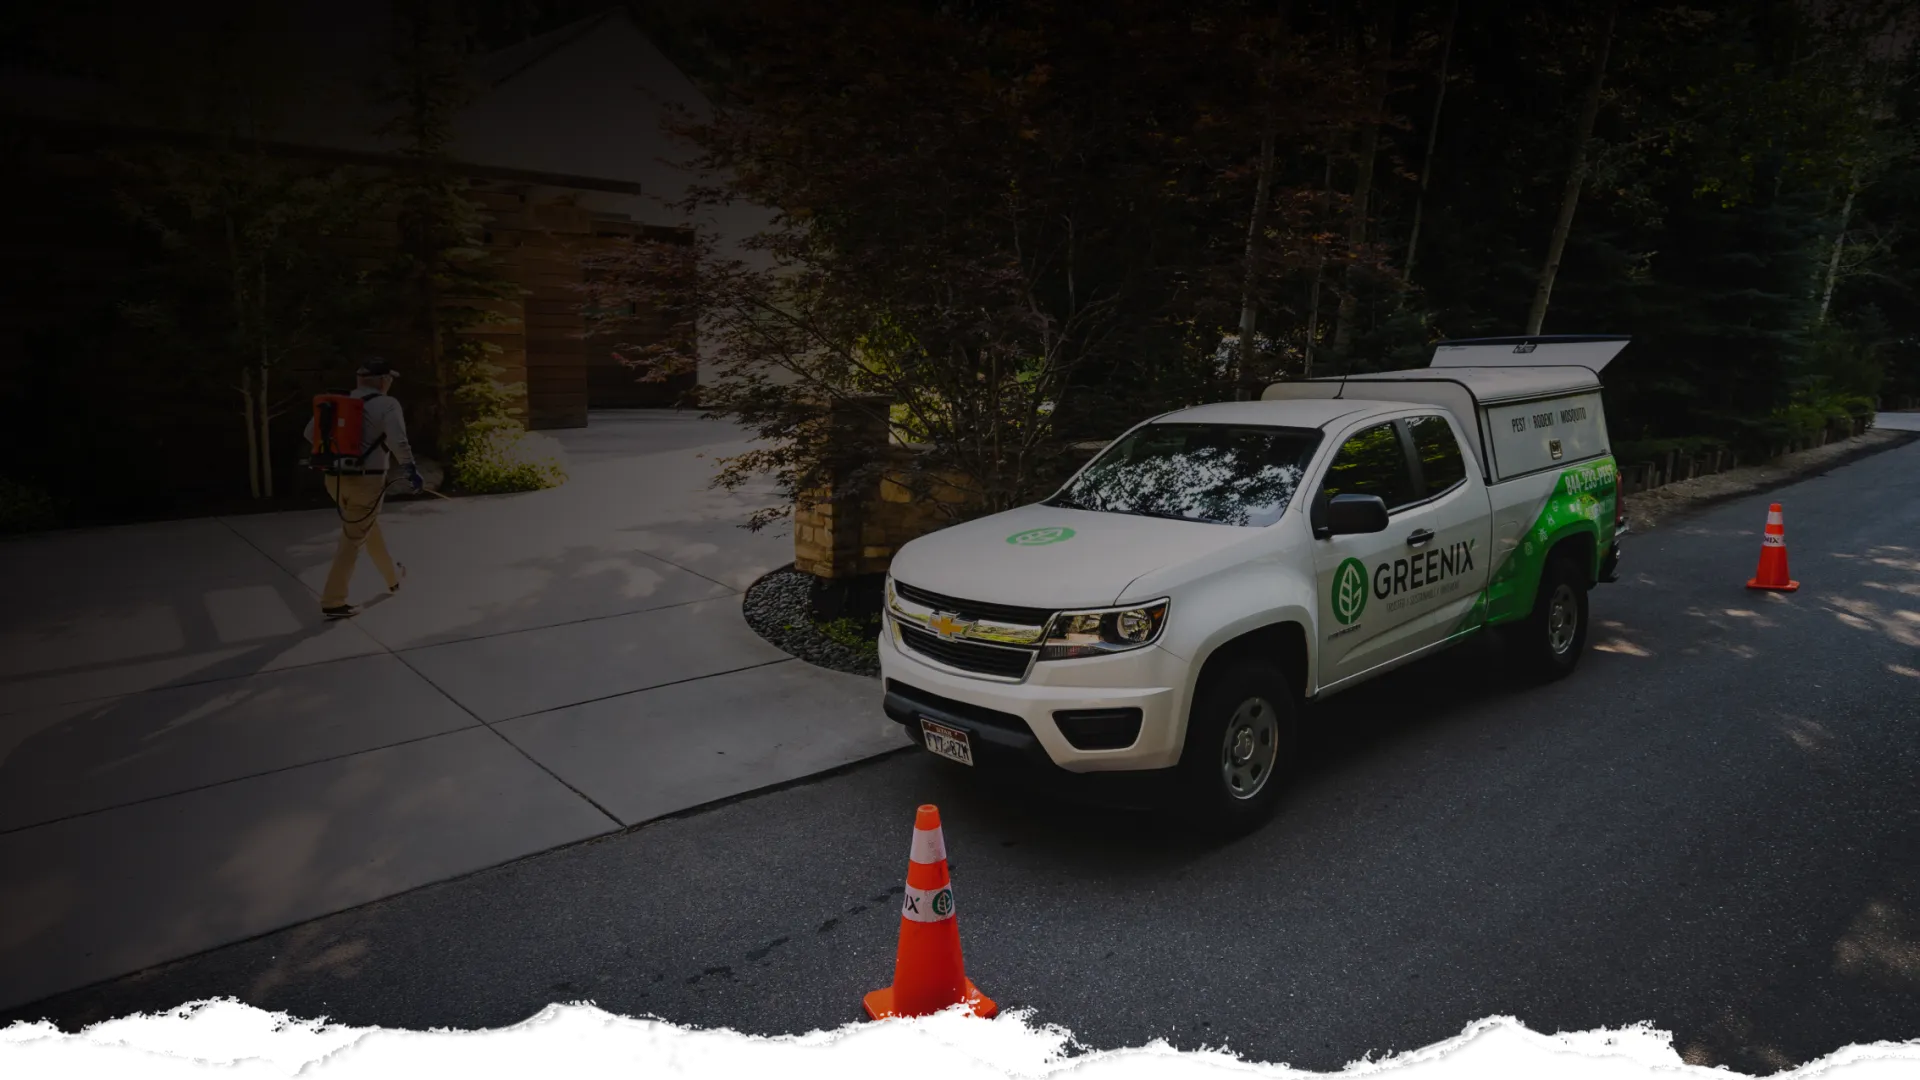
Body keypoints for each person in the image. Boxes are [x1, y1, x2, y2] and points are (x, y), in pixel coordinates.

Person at [302, 357, 424, 619]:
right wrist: (410, 470)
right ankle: (333, 600)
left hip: (334, 479)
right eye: (389, 379)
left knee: (366, 526)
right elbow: (398, 440)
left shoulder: (337, 401)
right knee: (354, 537)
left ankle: (392, 578)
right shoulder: (387, 404)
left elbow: (309, 433)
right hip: (367, 481)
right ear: (383, 380)